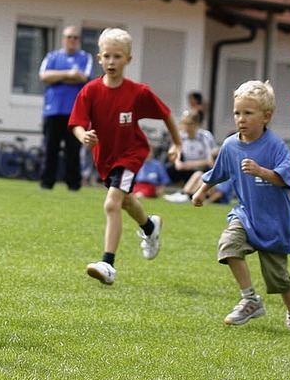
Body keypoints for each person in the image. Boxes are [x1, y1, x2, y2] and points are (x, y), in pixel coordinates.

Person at [69, 28, 182, 285]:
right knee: (127, 202)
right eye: (107, 56)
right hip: (105, 159)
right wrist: (82, 135)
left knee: (112, 203)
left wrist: (177, 143)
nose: (111, 61)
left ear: (128, 60)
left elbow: (165, 114)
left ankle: (107, 264)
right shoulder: (90, 91)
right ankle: (150, 228)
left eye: (117, 56)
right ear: (99, 58)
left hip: (130, 155)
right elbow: (76, 122)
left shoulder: (138, 92)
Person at [192, 80, 290, 330]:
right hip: (245, 215)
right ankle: (250, 299)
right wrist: (201, 191)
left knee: (279, 279)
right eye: (237, 113)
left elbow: (286, 180)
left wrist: (261, 171)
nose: (240, 119)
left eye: (248, 113)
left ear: (266, 116)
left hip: (274, 222)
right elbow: (217, 172)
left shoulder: (276, 147)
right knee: (229, 246)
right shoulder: (231, 145)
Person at [38, 26, 93, 191]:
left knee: (73, 151)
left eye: (76, 37)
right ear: (63, 38)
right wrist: (69, 74)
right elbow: (44, 76)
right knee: (50, 149)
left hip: (75, 112)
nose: (72, 40)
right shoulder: (52, 56)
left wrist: (57, 77)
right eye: (69, 37)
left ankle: (73, 185)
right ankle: (46, 183)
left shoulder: (85, 57)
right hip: (53, 110)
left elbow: (84, 78)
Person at [164, 109, 217, 200]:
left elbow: (211, 160)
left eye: (189, 124)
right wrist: (177, 163)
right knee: (168, 168)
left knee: (199, 174)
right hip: (185, 170)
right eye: (184, 124)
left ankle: (186, 194)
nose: (186, 127)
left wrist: (190, 165)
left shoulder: (205, 136)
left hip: (204, 169)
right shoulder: (181, 136)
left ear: (196, 124)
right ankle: (182, 193)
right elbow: (174, 153)